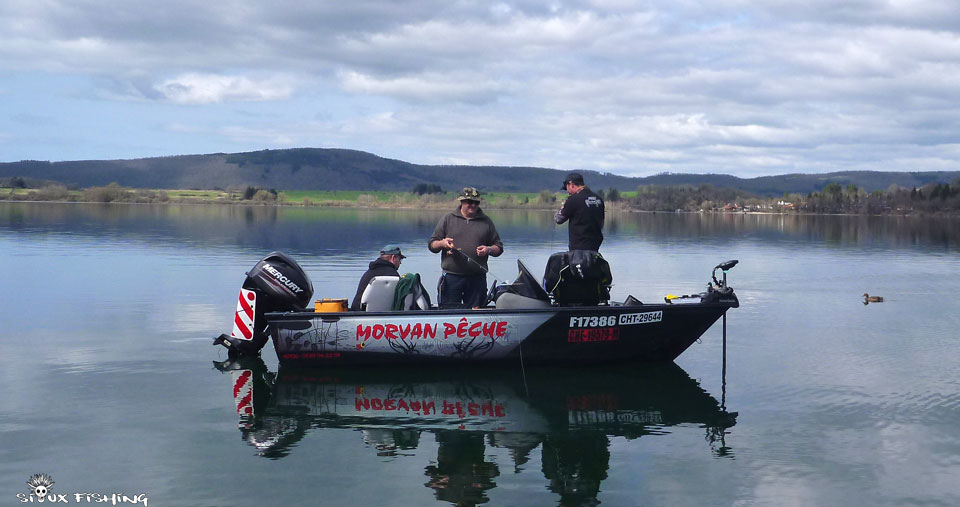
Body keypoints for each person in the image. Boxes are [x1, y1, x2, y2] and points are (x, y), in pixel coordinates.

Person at [428, 187, 503, 308]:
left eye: (476, 202)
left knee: (478, 316)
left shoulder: (487, 222)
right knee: (448, 314)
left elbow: (499, 248)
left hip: (477, 280)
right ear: (461, 201)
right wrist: (442, 243)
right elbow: (432, 244)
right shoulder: (448, 219)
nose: (473, 205)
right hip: (451, 278)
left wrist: (488, 249)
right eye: (469, 202)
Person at [555, 172, 605, 251]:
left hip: (578, 249)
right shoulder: (598, 199)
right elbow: (601, 222)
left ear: (571, 184)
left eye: (566, 188)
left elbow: (558, 219)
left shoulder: (573, 199)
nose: (567, 191)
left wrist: (564, 204)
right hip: (595, 247)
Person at [350, 244, 405, 311]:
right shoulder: (393, 275)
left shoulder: (369, 272)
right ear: (393, 258)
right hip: (374, 316)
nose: (400, 263)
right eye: (400, 259)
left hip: (357, 312)